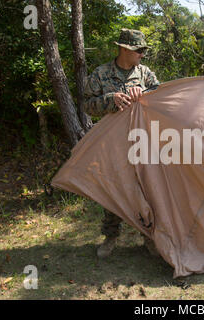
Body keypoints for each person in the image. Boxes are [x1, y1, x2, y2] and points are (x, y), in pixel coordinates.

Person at [83, 28, 160, 259]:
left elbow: (162, 99)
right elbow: (87, 105)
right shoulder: (101, 74)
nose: (142, 55)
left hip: (141, 141)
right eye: (139, 50)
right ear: (125, 49)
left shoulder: (145, 73)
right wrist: (110, 99)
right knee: (113, 189)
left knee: (145, 190)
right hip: (113, 144)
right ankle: (111, 237)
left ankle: (149, 237)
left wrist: (144, 93)